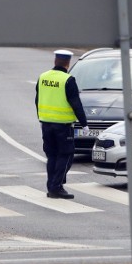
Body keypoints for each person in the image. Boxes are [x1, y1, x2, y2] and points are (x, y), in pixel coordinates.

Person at [35, 49, 88, 199]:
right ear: (67, 63)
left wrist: (41, 117)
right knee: (66, 155)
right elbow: (76, 103)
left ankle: (52, 186)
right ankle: (56, 187)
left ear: (55, 61)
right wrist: (84, 124)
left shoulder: (43, 77)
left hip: (46, 124)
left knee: (52, 156)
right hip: (63, 126)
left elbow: (37, 100)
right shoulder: (68, 80)